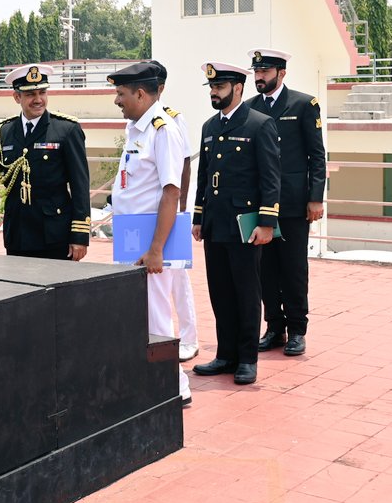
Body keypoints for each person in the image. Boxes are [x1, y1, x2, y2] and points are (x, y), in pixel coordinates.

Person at [0, 64, 91, 260]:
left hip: (55, 233)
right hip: (18, 232)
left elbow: (80, 185)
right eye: (30, 94)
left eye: (42, 92)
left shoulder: (66, 130)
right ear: (17, 97)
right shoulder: (5, 131)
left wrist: (80, 235)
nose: (38, 99)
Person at [191, 61, 281, 386]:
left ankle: (247, 359)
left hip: (244, 225)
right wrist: (199, 217)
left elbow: (271, 178)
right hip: (215, 224)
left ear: (237, 88)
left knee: (246, 291)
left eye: (219, 87)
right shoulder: (208, 126)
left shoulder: (259, 125)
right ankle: (225, 354)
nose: (214, 93)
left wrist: (267, 222)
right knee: (220, 291)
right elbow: (203, 178)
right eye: (212, 88)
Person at [107, 62, 191, 406]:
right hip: (133, 233)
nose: (117, 100)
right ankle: (155, 378)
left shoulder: (162, 130)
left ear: (141, 94)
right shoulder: (137, 128)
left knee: (156, 315)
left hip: (150, 238)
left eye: (121, 94)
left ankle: (174, 385)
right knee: (141, 314)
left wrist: (156, 248)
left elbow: (172, 192)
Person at [248, 48, 327, 356]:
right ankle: (274, 328)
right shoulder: (250, 108)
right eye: (256, 72)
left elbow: (316, 155)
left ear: (281, 73)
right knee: (265, 268)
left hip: (293, 202)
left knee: (293, 268)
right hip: (260, 203)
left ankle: (297, 329)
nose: (259, 77)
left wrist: (315, 198)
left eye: (265, 72)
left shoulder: (303, 104)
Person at [147, 60, 200, 362]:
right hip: (148, 215)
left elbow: (185, 164)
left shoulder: (172, 119)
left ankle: (189, 338)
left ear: (161, 87)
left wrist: (181, 211)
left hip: (173, 211)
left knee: (179, 279)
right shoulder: (139, 120)